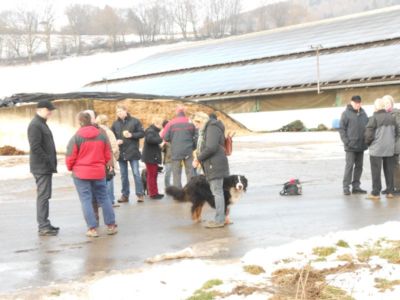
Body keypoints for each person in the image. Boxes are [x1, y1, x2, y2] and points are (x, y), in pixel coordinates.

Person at [66, 112, 118, 237]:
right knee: (104, 198)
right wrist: (108, 165)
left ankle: (92, 228)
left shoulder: (76, 136)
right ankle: (111, 225)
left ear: (80, 122)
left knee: (86, 200)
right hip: (99, 172)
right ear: (91, 120)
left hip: (81, 174)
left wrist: (70, 167)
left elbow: (70, 156)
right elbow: (108, 154)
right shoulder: (101, 135)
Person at [192, 112, 230, 228]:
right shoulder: (210, 127)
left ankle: (219, 220)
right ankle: (222, 218)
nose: (196, 127)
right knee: (218, 192)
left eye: (196, 124)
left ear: (201, 121)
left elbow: (211, 147)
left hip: (215, 164)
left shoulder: (212, 128)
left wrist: (198, 159)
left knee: (217, 192)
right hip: (213, 164)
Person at [27, 100, 59, 236]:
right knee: (43, 196)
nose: (50, 112)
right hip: (41, 167)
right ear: (40, 109)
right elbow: (35, 146)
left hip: (45, 167)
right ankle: (43, 226)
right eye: (48, 109)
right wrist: (47, 160)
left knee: (45, 196)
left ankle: (45, 223)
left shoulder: (41, 123)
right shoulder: (35, 125)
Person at [365, 98, 398, 200]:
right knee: (389, 170)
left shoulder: (373, 118)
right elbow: (396, 133)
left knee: (376, 171)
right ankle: (390, 191)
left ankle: (375, 193)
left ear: (376, 107)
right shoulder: (392, 118)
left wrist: (368, 144)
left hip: (377, 149)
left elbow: (368, 135)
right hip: (389, 148)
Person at [111, 104, 145, 203]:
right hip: (121, 153)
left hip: (133, 152)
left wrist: (131, 135)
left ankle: (140, 194)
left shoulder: (135, 121)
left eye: (120, 111)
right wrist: (116, 141)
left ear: (126, 111)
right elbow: (111, 136)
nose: (119, 113)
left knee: (136, 173)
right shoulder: (115, 124)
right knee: (123, 175)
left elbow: (142, 133)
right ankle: (125, 195)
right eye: (117, 112)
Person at [338, 95, 369, 195]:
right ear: (351, 102)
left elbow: (368, 128)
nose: (357, 104)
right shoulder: (346, 114)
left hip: (361, 145)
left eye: (359, 103)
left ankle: (356, 186)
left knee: (359, 166)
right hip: (350, 146)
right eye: (355, 103)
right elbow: (342, 129)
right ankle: (346, 187)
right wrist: (347, 142)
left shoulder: (364, 113)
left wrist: (366, 141)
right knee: (349, 166)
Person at [162, 106, 196, 188]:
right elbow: (196, 135)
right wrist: (193, 147)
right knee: (190, 172)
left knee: (176, 173)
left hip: (176, 151)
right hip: (188, 151)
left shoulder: (171, 123)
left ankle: (178, 193)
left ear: (177, 113)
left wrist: (173, 140)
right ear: (184, 112)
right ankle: (190, 192)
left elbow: (165, 137)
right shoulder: (190, 122)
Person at [96, 114, 120, 207]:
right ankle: (110, 201)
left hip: (99, 159)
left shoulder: (96, 130)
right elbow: (115, 147)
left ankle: (100, 201)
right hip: (108, 159)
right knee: (109, 179)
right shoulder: (108, 132)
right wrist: (115, 158)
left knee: (100, 181)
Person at [142, 117, 164, 199]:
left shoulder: (153, 130)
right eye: (160, 124)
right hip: (150, 157)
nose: (161, 126)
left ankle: (155, 192)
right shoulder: (150, 130)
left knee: (154, 174)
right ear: (157, 123)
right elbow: (149, 139)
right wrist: (160, 138)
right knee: (152, 175)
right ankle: (153, 193)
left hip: (152, 156)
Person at [383, 95, 400, 194]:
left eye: (388, 103)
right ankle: (389, 187)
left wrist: (393, 142)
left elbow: (398, 131)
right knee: (386, 166)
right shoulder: (383, 115)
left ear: (392, 104)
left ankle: (398, 187)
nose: (386, 105)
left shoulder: (396, 114)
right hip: (385, 146)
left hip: (395, 145)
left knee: (395, 166)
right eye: (384, 104)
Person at [161, 120, 172, 189]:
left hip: (175, 157)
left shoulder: (174, 133)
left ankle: (173, 187)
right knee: (168, 173)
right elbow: (161, 149)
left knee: (176, 174)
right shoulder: (163, 134)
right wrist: (164, 144)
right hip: (168, 158)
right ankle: (167, 187)